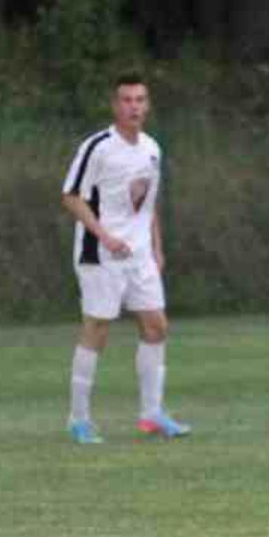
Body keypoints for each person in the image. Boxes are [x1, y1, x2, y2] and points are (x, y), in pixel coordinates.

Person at [61, 73, 189, 443]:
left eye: (140, 100)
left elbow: (149, 205)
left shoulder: (152, 148)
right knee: (97, 329)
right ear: (115, 106)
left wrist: (157, 248)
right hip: (99, 252)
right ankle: (79, 419)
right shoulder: (98, 146)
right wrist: (105, 236)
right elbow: (70, 196)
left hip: (140, 255)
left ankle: (151, 414)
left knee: (156, 326)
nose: (134, 106)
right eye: (127, 100)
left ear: (147, 106)